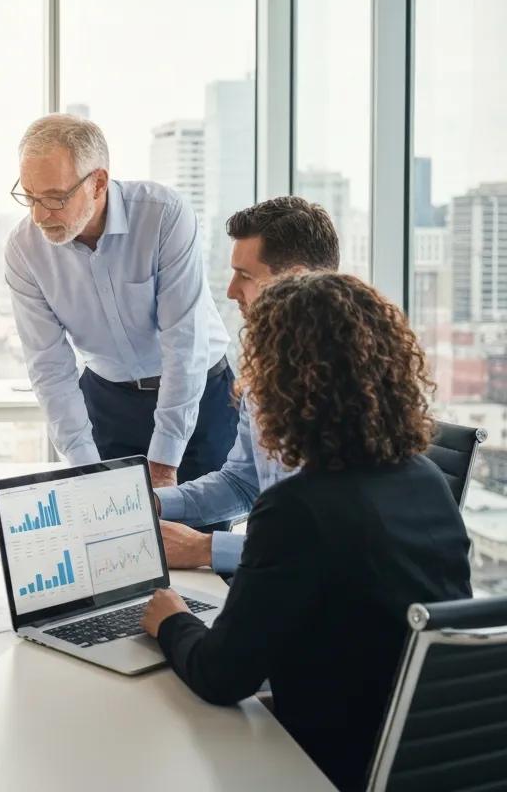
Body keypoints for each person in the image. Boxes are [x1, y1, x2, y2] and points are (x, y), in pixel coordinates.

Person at [141, 273, 472, 792]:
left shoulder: (297, 509)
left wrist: (171, 619)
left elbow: (221, 676)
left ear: (283, 385)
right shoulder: (425, 480)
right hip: (421, 753)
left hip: (324, 763)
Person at [5, 114, 234, 488]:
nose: (39, 215)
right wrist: (82, 465)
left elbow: (184, 343)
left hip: (199, 394)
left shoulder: (163, 216)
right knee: (111, 537)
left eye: (55, 198)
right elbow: (49, 365)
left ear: (98, 183)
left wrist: (164, 460)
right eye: (29, 197)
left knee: (196, 538)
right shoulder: (24, 249)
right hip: (110, 402)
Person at [156, 196, 340, 574]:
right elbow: (242, 483)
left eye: (246, 275)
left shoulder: (351, 390)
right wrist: (153, 504)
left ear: (295, 280)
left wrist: (205, 549)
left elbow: (328, 545)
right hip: (272, 581)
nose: (231, 291)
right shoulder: (268, 371)